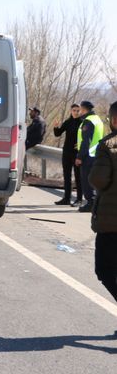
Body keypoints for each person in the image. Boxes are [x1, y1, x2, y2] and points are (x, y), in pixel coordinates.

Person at [88, 100, 117, 303]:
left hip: (111, 221)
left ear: (114, 120)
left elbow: (98, 179)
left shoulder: (108, 145)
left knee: (104, 271)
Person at [76, 100, 105, 212]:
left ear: (84, 109)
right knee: (93, 180)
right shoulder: (97, 119)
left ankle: (90, 203)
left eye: (80, 110)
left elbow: (85, 141)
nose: (79, 112)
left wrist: (79, 157)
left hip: (88, 156)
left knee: (87, 180)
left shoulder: (88, 121)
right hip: (96, 154)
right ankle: (95, 202)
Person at [52, 103, 83, 205]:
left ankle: (79, 199)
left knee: (78, 177)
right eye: (74, 110)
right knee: (67, 176)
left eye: (78, 110)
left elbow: (85, 139)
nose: (76, 112)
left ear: (80, 111)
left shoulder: (82, 123)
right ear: (71, 111)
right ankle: (66, 198)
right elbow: (58, 134)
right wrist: (56, 127)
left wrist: (80, 148)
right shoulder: (68, 122)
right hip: (66, 152)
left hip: (77, 154)